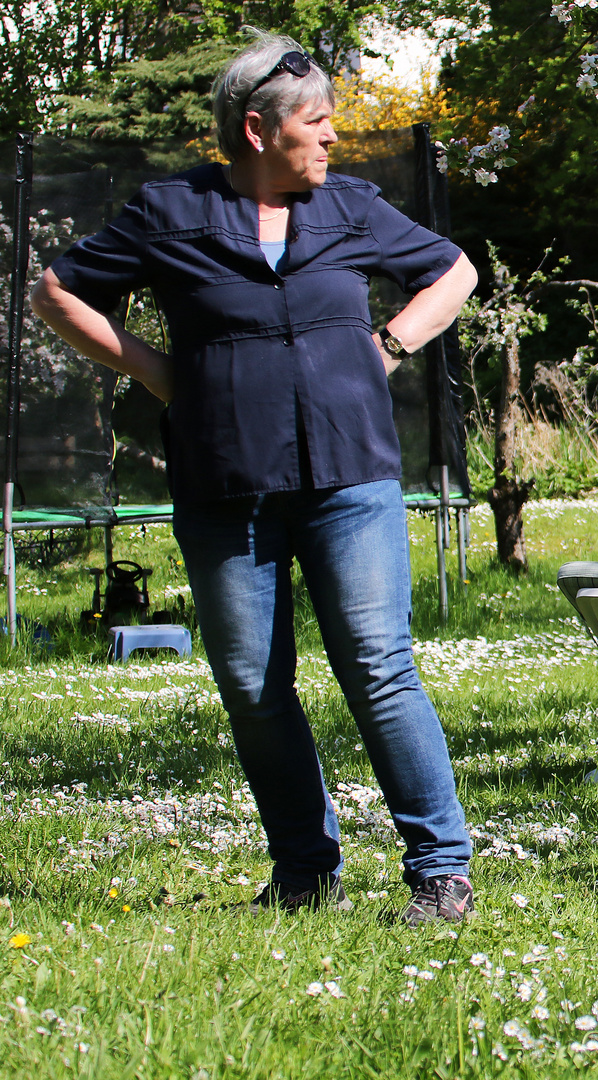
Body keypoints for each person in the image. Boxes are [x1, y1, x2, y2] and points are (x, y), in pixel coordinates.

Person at [31, 29, 481, 926]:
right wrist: (159, 370)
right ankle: (306, 872)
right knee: (251, 683)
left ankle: (441, 871)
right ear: (255, 130)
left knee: (379, 667)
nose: (331, 139)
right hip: (225, 481)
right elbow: (57, 291)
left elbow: (453, 269)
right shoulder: (169, 213)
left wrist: (389, 344)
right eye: (316, 123)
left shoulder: (351, 206)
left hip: (350, 476)